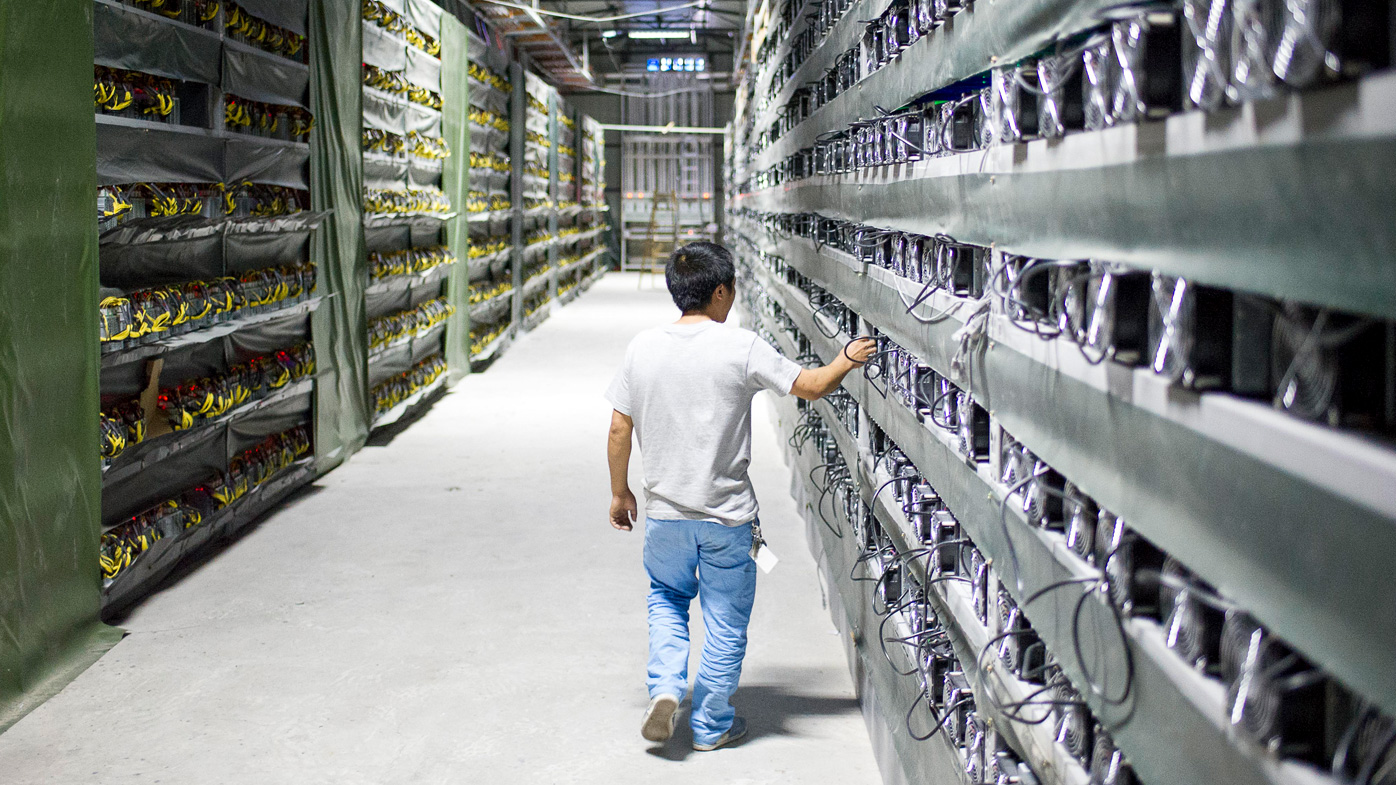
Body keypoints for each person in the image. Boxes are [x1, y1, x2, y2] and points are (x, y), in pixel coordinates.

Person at [604, 241, 876, 751]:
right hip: (727, 519)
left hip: (665, 515)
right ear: (721, 292)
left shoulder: (642, 347)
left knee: (666, 600)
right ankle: (710, 726)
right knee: (725, 622)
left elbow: (620, 428)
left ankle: (665, 689)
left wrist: (620, 493)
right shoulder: (740, 347)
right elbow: (812, 386)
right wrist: (845, 359)